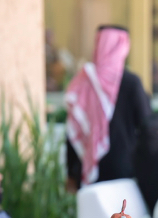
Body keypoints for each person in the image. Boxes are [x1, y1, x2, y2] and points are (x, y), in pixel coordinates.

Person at [65, 25, 152, 188]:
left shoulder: (83, 80)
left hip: (87, 168)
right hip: (124, 169)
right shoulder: (131, 82)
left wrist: (70, 172)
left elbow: (71, 131)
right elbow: (147, 124)